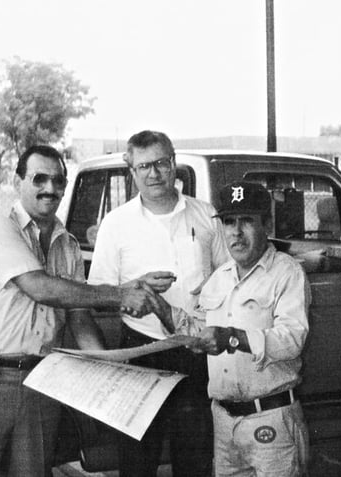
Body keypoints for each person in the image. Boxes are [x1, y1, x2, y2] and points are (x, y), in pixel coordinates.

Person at [0, 145, 161, 477]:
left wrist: (110, 372)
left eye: (58, 181)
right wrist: (120, 294)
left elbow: (78, 316)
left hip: (42, 377)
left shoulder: (68, 243)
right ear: (18, 181)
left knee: (35, 472)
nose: (50, 189)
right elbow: (40, 288)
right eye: (39, 179)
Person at [87, 130, 228, 477]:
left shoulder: (205, 215)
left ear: (174, 164)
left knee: (194, 459)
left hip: (194, 352)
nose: (154, 173)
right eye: (144, 166)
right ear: (132, 172)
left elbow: (228, 280)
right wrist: (132, 291)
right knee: (137, 461)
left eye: (161, 163)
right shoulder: (116, 225)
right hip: (140, 352)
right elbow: (97, 297)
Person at [190, 181, 311, 477]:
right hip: (224, 420)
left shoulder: (287, 272)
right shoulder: (219, 277)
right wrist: (159, 308)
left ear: (266, 224)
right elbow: (199, 329)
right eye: (229, 222)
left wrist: (233, 337)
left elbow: (292, 338)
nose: (236, 232)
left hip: (270, 419)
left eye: (247, 221)